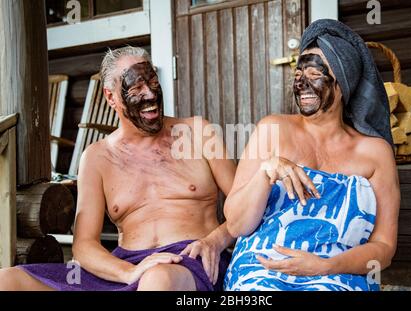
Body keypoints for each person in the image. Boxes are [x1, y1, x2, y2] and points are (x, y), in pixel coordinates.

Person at [0, 46, 236, 291]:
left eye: (153, 82)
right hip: (126, 268)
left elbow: (247, 207)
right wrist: (129, 272)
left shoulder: (199, 133)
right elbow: (83, 246)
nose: (149, 95)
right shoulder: (96, 157)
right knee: (7, 280)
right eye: (135, 89)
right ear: (111, 97)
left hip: (190, 263)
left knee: (157, 279)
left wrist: (216, 241)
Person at [223, 19, 400, 291]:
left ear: (344, 82)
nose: (302, 85)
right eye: (298, 76)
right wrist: (265, 172)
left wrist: (326, 266)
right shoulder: (272, 129)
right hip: (263, 267)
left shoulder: (375, 153)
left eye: (315, 75)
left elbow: (384, 247)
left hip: (339, 271)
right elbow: (236, 225)